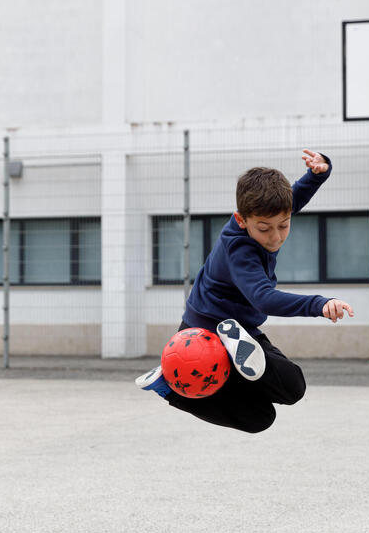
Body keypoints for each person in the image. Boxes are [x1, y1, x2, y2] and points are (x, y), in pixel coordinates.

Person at [135, 149, 354, 433]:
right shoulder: (240, 250)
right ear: (241, 220)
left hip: (237, 330)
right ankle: (172, 387)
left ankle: (235, 353)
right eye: (264, 229)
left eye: (283, 225)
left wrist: (317, 174)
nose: (275, 237)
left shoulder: (265, 218)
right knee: (256, 417)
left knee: (285, 395)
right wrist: (318, 304)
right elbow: (263, 298)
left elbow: (292, 198)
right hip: (203, 335)